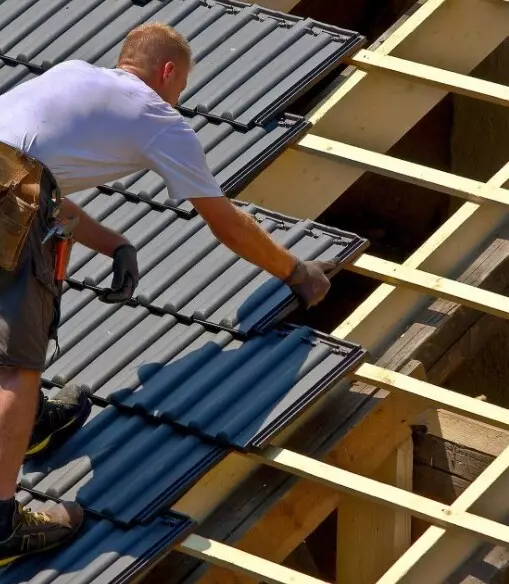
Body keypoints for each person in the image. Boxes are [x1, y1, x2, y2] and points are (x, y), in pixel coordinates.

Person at [0, 23, 339, 565]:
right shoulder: (158, 116)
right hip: (8, 196)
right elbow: (225, 222)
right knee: (18, 363)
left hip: (9, 185)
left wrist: (112, 242)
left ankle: (33, 423)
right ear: (167, 73)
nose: (180, 99)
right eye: (181, 88)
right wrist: (296, 271)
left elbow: (36, 180)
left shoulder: (70, 74)